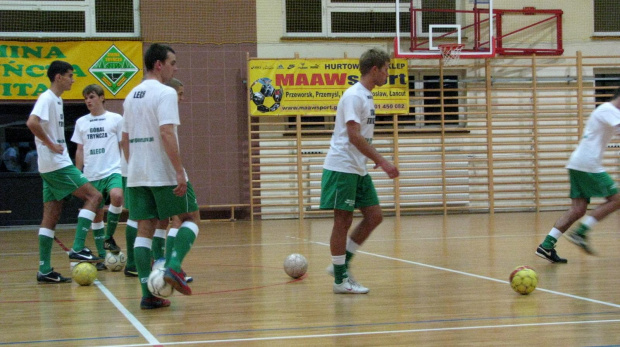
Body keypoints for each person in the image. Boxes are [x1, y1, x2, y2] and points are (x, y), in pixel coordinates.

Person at [122, 44, 200, 309]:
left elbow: (125, 138)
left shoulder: (130, 95)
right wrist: (179, 171)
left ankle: (148, 294)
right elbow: (167, 132)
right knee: (190, 217)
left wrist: (134, 167)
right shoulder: (165, 93)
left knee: (145, 229)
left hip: (137, 173)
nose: (175, 68)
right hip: (162, 171)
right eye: (172, 63)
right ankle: (174, 266)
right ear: (158, 64)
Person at [320, 48, 399, 294]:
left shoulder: (366, 96)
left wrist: (370, 159)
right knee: (342, 220)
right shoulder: (354, 95)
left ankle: (340, 266)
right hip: (342, 166)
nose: (388, 74)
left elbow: (360, 137)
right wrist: (382, 161)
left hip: (358, 167)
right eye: (385, 69)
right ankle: (340, 280)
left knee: (374, 216)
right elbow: (353, 137)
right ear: (374, 69)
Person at [26, 60, 104, 284]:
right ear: (58, 77)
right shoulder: (47, 98)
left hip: (50, 166)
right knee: (95, 196)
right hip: (56, 164)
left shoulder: (57, 101)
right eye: (70, 75)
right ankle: (78, 248)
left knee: (51, 216)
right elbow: (31, 122)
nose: (72, 79)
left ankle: (45, 270)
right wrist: (50, 144)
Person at [535, 87, 620, 263]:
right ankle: (581, 233)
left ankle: (547, 245)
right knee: (617, 199)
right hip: (588, 163)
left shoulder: (609, 112)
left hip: (579, 162)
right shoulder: (608, 109)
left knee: (578, 209)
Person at [71, 84, 124, 270]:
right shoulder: (81, 122)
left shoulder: (116, 119)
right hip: (91, 174)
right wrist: (77, 174)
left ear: (102, 97)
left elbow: (123, 145)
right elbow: (79, 149)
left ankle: (109, 237)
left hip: (113, 170)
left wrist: (127, 167)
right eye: (86, 98)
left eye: (91, 96)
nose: (88, 101)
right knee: (97, 216)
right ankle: (102, 256)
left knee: (117, 196)